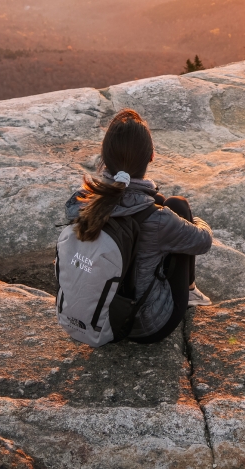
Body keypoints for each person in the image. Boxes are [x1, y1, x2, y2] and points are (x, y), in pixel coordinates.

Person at [65, 109, 213, 344]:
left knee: (160, 203)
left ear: (104, 158)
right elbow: (203, 242)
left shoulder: (82, 201)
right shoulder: (159, 219)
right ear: (151, 156)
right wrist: (192, 222)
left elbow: (119, 201)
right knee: (177, 205)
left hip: (92, 316)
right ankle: (190, 289)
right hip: (145, 326)